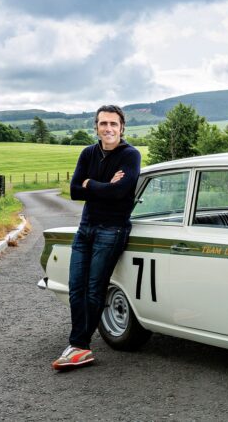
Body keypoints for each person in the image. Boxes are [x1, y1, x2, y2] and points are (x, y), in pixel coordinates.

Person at [52, 104, 141, 370]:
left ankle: (79, 345)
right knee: (76, 287)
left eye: (113, 124)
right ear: (96, 127)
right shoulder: (88, 153)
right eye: (103, 124)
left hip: (112, 230)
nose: (108, 129)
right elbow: (75, 191)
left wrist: (92, 184)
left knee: (94, 288)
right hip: (86, 227)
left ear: (122, 127)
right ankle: (79, 344)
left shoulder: (131, 155)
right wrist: (102, 186)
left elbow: (120, 193)